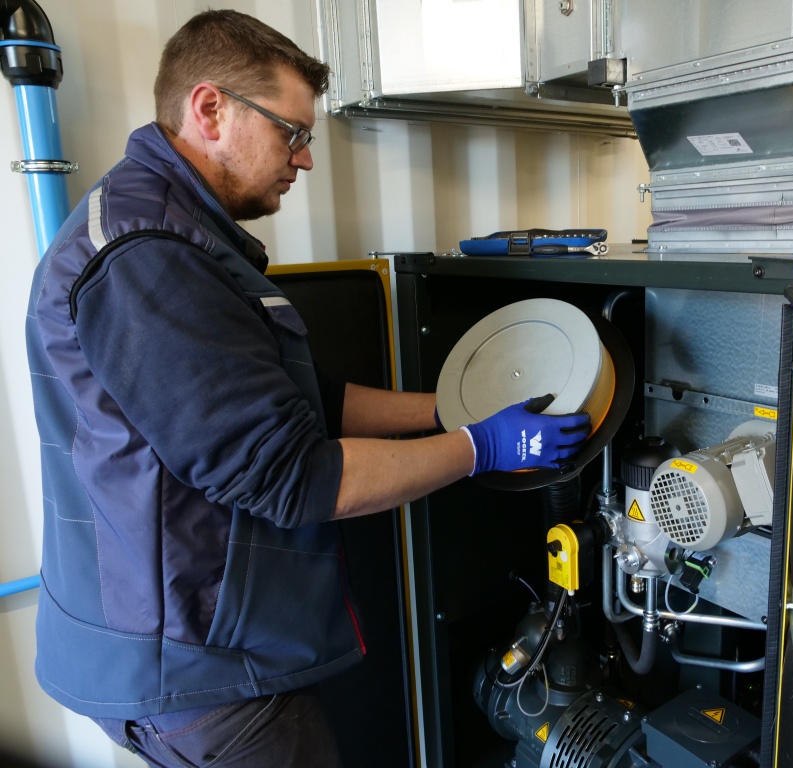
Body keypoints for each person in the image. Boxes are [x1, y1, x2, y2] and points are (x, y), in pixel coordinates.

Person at [24, 10, 590, 767]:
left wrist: (450, 409)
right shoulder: (148, 257)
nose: (307, 158)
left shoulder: (170, 230)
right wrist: (480, 446)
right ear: (210, 109)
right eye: (292, 132)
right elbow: (295, 476)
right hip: (200, 673)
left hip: (191, 647)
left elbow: (305, 402)